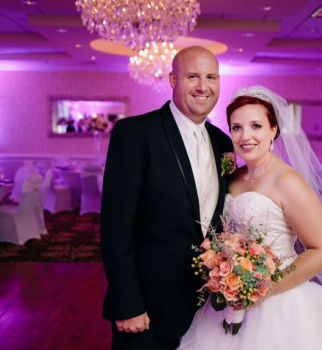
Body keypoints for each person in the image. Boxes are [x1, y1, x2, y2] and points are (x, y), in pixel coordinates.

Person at [178, 86, 322, 349]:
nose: (246, 136)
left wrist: (263, 290)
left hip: (282, 302)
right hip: (230, 298)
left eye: (256, 126)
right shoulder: (232, 178)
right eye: (236, 127)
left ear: (273, 130)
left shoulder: (288, 181)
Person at [100, 46, 233, 350]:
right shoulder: (134, 133)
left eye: (211, 77)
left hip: (207, 307)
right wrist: (127, 303)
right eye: (192, 76)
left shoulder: (224, 144)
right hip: (146, 309)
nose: (203, 86)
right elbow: (116, 228)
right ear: (173, 79)